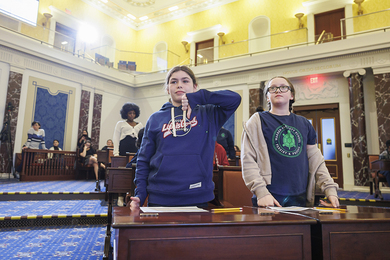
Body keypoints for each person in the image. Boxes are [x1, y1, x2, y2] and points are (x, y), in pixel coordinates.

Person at [128, 65, 241, 209]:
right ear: (168, 89)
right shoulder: (155, 119)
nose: (179, 85)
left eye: (185, 81)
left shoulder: (208, 114)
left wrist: (199, 97)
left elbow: (234, 99)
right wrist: (140, 194)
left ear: (195, 87)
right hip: (160, 197)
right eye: (173, 82)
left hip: (197, 195)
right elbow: (143, 159)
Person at [241, 76, 339, 208]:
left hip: (300, 195)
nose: (278, 91)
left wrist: (330, 189)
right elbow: (247, 160)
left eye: (283, 87)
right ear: (267, 97)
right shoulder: (257, 121)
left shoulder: (304, 123)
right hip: (269, 196)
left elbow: (316, 160)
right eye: (272, 88)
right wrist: (261, 192)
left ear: (291, 95)